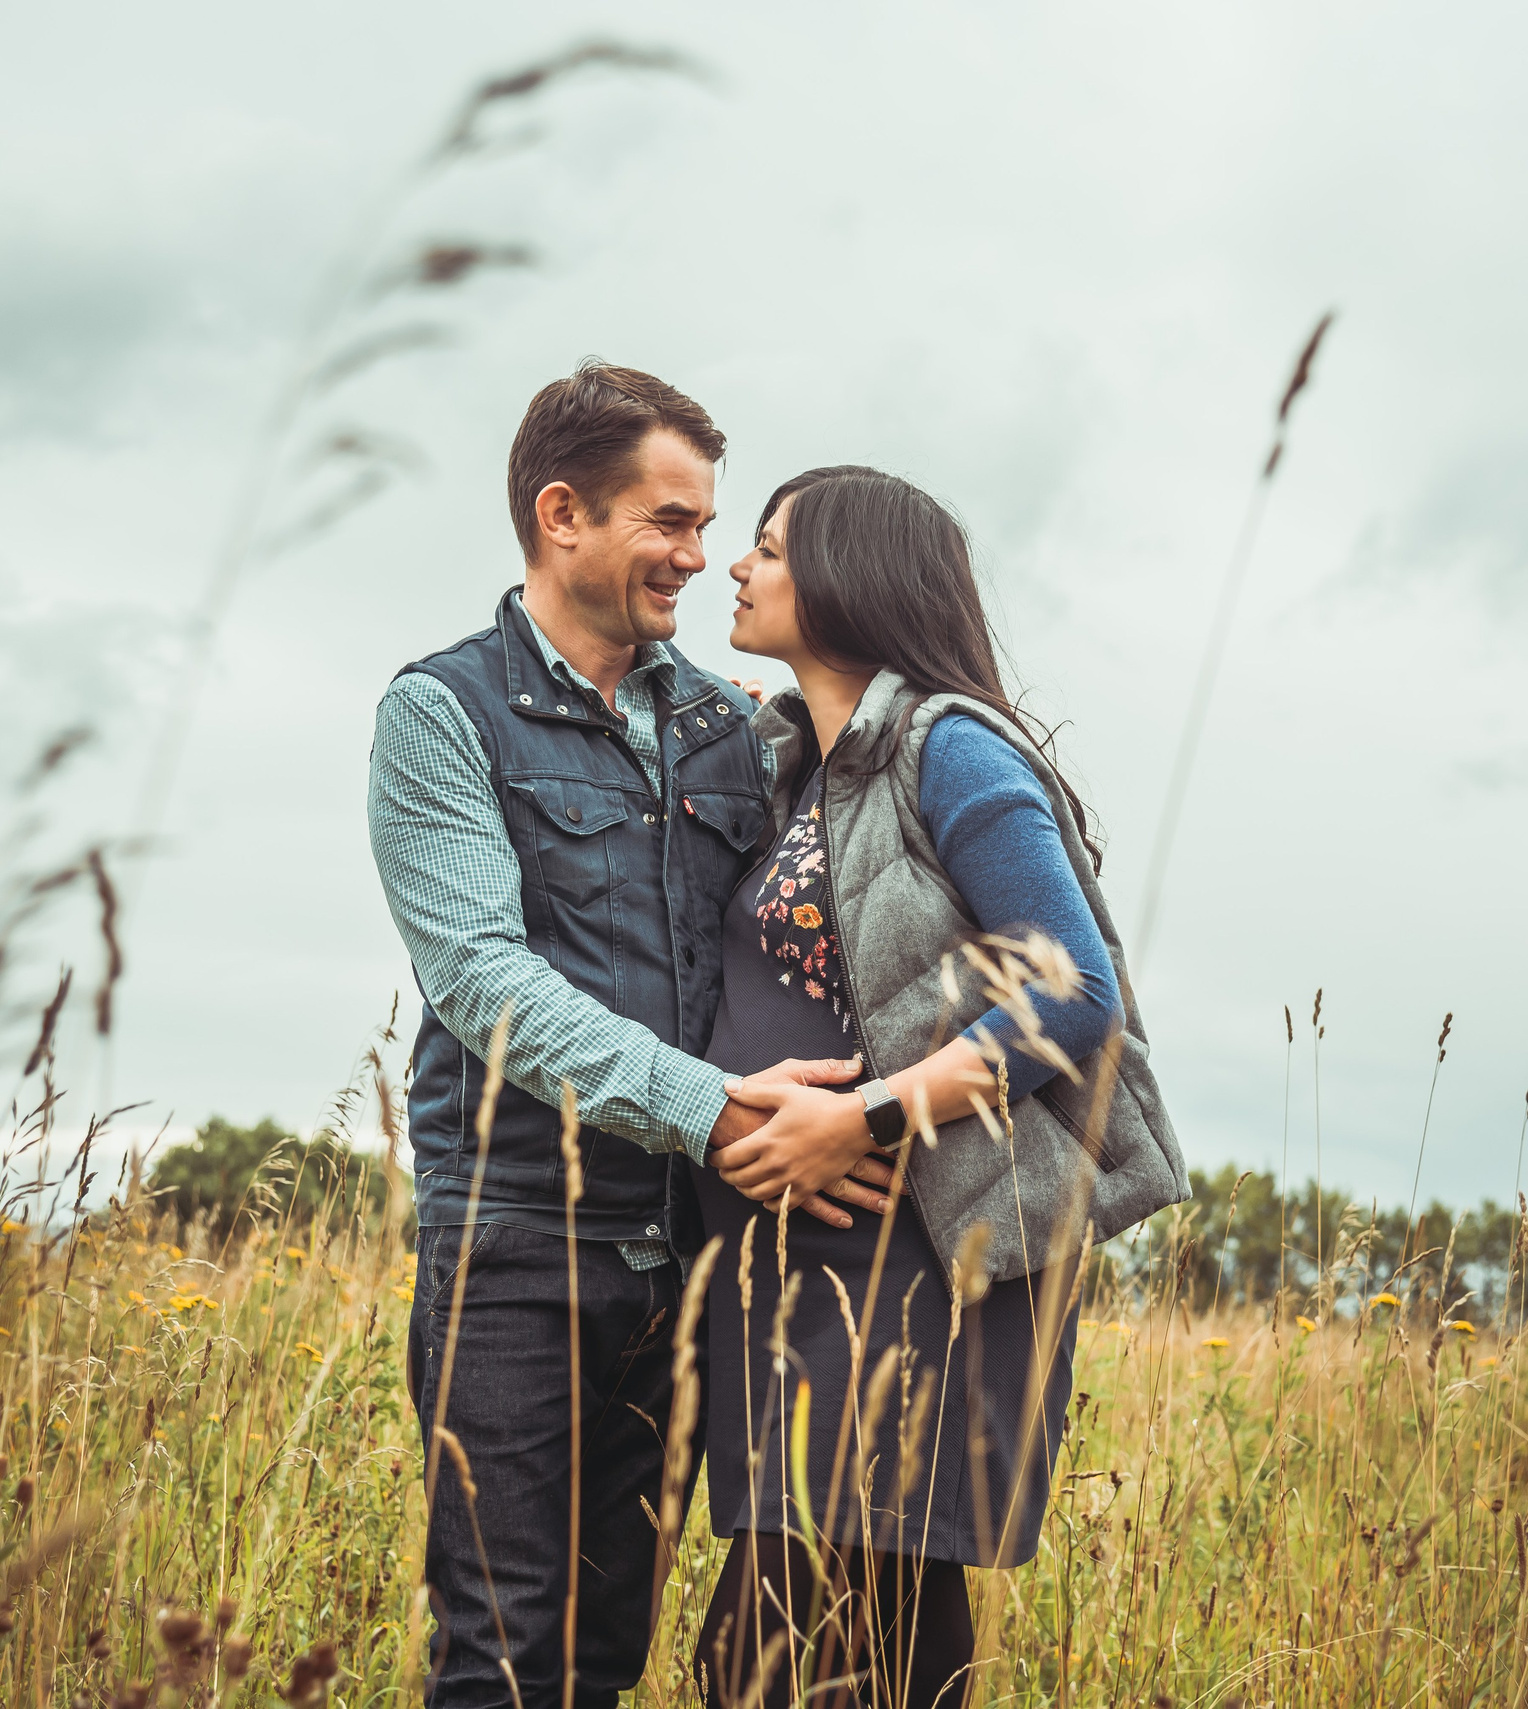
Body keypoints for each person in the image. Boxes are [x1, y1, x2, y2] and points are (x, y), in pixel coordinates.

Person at [368, 366, 898, 1709]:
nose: (698, 555)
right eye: (669, 520)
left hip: (688, 1265)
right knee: (501, 1656)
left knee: (606, 1661)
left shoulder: (736, 731)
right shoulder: (440, 715)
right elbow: (483, 982)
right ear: (562, 514)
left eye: (708, 523)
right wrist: (716, 1108)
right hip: (513, 1256)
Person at [685, 466, 1189, 1707]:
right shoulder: (804, 764)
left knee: (808, 1644)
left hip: (921, 1255)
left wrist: (857, 1116)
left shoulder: (947, 745)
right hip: (802, 1266)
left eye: (767, 549)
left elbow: (1075, 992)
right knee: (829, 1637)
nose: (736, 570)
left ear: (850, 578)